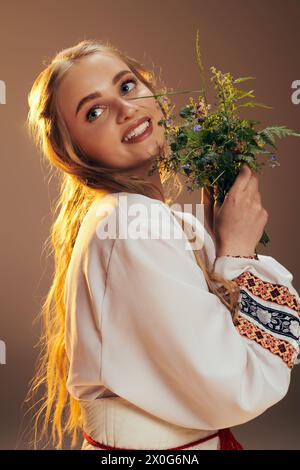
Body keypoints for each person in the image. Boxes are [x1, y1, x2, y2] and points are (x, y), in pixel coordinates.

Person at [24, 39, 300, 451]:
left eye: (127, 85)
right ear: (74, 153)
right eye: (94, 111)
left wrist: (218, 243)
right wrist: (238, 254)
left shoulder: (145, 217)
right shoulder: (130, 224)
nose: (125, 109)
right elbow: (236, 383)